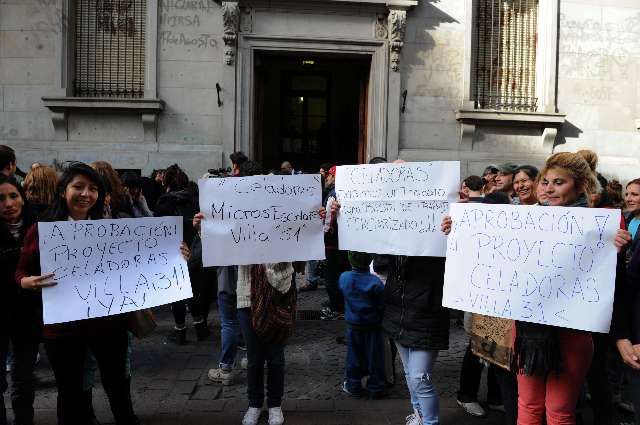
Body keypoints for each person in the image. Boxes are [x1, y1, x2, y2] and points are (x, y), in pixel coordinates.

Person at [15, 162, 139, 425]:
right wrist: (26, 282)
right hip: (63, 328)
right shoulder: (42, 230)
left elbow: (140, 263)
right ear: (63, 191)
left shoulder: (112, 229)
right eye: (78, 187)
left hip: (109, 323)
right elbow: (21, 270)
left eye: (93, 188)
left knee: (118, 385)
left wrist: (177, 254)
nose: (86, 194)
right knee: (70, 391)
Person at [513, 152, 614, 425]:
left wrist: (617, 248)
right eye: (545, 181)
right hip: (528, 330)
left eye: (559, 182)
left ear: (580, 186)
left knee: (559, 411)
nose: (548, 188)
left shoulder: (600, 228)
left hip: (571, 333)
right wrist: (458, 229)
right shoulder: (523, 219)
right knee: (528, 405)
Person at [383, 253, 449, 425]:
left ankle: (429, 422)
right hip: (398, 315)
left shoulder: (438, 243)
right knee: (410, 372)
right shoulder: (394, 242)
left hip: (426, 317)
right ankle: (419, 415)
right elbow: (379, 264)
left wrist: (451, 230)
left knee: (419, 377)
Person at [0, 175, 40, 425]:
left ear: (23, 199)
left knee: (24, 378)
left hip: (28, 316)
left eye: (13, 195)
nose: (8, 203)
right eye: (0, 198)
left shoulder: (40, 229)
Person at [339, 251, 385, 399]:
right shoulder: (376, 282)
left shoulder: (344, 278)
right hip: (372, 325)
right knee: (375, 357)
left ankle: (353, 385)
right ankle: (375, 387)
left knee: (353, 357)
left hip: (353, 325)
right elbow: (381, 305)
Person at [321, 166, 349, 320]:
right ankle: (339, 303)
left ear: (333, 177)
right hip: (343, 244)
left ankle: (336, 307)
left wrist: (323, 232)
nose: (326, 179)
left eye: (328, 176)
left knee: (331, 276)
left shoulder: (333, 195)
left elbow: (328, 223)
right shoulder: (345, 194)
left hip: (332, 244)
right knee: (341, 273)